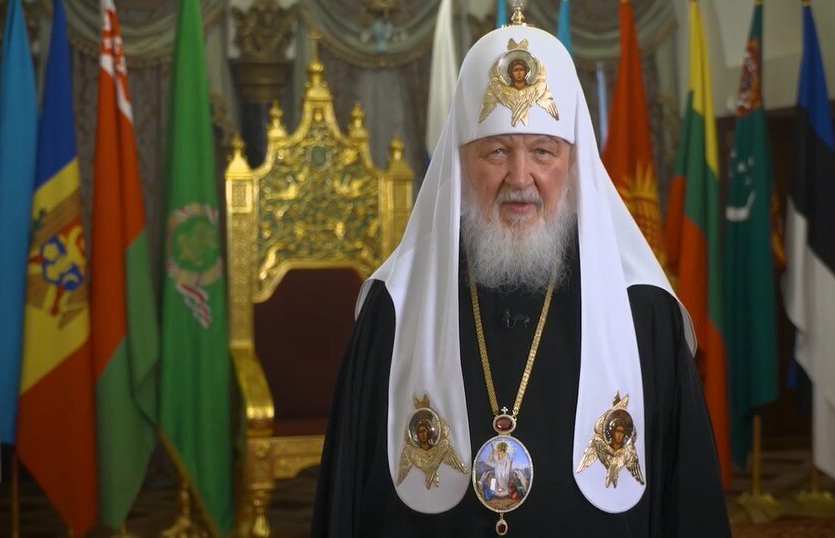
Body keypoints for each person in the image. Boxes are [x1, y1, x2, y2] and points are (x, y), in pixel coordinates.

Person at [311, 9, 729, 538]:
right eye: (496, 151)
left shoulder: (641, 310)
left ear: (573, 165)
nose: (520, 177)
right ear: (460, 163)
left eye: (543, 151)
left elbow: (686, 502)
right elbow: (347, 499)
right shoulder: (394, 308)